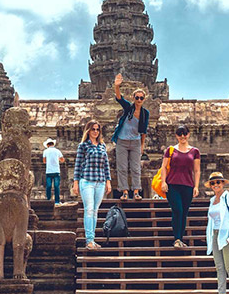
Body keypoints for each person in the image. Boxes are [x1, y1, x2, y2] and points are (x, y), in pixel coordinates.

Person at [159, 125, 201, 248]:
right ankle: (177, 238)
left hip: (188, 184)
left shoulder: (195, 151)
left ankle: (180, 238)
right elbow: (164, 167)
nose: (182, 136)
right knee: (177, 210)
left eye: (185, 133)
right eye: (179, 134)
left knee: (184, 213)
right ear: (176, 136)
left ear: (188, 134)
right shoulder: (171, 150)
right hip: (172, 184)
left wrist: (196, 186)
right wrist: (163, 182)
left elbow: (197, 170)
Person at [73, 120, 112, 250]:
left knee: (95, 211)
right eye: (93, 129)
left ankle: (93, 239)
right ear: (88, 130)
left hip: (100, 181)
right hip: (87, 180)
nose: (95, 131)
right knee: (89, 209)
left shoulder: (102, 146)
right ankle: (89, 240)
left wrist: (108, 181)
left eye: (97, 129)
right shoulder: (83, 146)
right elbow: (78, 165)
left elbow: (106, 165)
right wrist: (75, 183)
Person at [110, 73, 149, 201]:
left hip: (136, 142)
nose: (138, 100)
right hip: (122, 140)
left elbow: (143, 131)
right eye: (137, 97)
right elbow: (119, 98)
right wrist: (116, 86)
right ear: (133, 98)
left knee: (136, 167)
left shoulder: (145, 113)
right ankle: (125, 192)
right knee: (122, 167)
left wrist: (142, 146)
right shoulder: (128, 108)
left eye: (141, 98)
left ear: (144, 99)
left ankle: (136, 191)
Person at [42, 138, 64, 205]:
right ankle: (57, 201)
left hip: (49, 171)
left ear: (48, 145)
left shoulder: (45, 151)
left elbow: (44, 161)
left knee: (48, 186)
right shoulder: (57, 151)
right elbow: (62, 159)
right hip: (56, 170)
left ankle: (48, 198)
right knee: (56, 186)